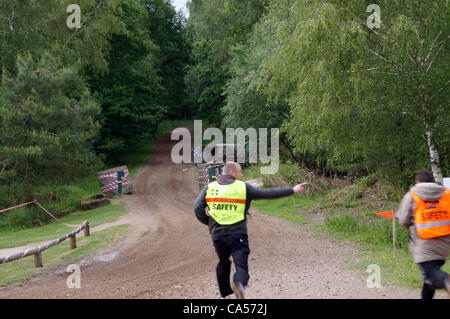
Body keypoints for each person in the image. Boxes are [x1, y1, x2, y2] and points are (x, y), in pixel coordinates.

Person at [193, 161, 308, 299]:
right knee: (241, 267)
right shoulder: (243, 187)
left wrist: (211, 224)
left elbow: (197, 208)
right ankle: (239, 284)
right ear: (231, 173)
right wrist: (292, 190)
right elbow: (267, 194)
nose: (241, 175)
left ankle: (223, 296)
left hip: (218, 235)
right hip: (238, 234)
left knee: (223, 262)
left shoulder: (209, 187)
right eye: (240, 172)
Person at [397, 169, 450, 299]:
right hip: (445, 243)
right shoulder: (445, 193)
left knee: (431, 274)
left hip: (424, 242)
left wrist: (409, 225)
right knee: (429, 278)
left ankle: (446, 280)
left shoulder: (412, 195)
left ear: (417, 181)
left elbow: (403, 219)